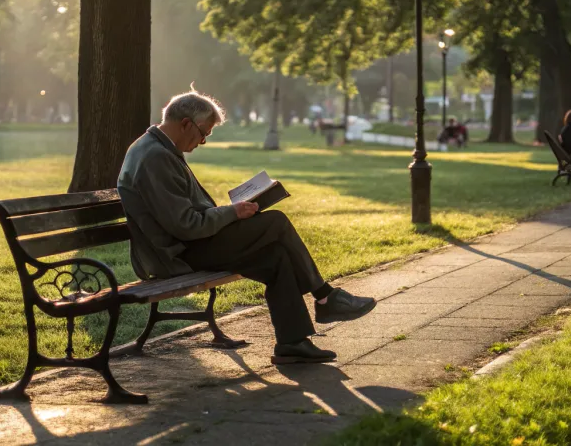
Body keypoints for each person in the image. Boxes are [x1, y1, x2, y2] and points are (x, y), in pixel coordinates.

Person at [117, 86, 376, 365]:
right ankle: (326, 297)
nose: (202, 142)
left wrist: (232, 212)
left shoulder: (157, 148)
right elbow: (186, 226)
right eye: (204, 134)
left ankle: (293, 343)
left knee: (276, 256)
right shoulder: (155, 156)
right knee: (275, 222)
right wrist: (231, 213)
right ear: (185, 124)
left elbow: (183, 217)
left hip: (185, 245)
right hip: (176, 255)